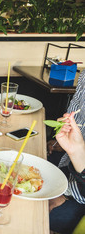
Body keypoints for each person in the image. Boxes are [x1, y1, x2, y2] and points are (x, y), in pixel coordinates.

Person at [48, 70, 85, 234]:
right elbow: (75, 116)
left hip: (79, 196)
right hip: (73, 166)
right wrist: (65, 145)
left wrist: (65, 193)